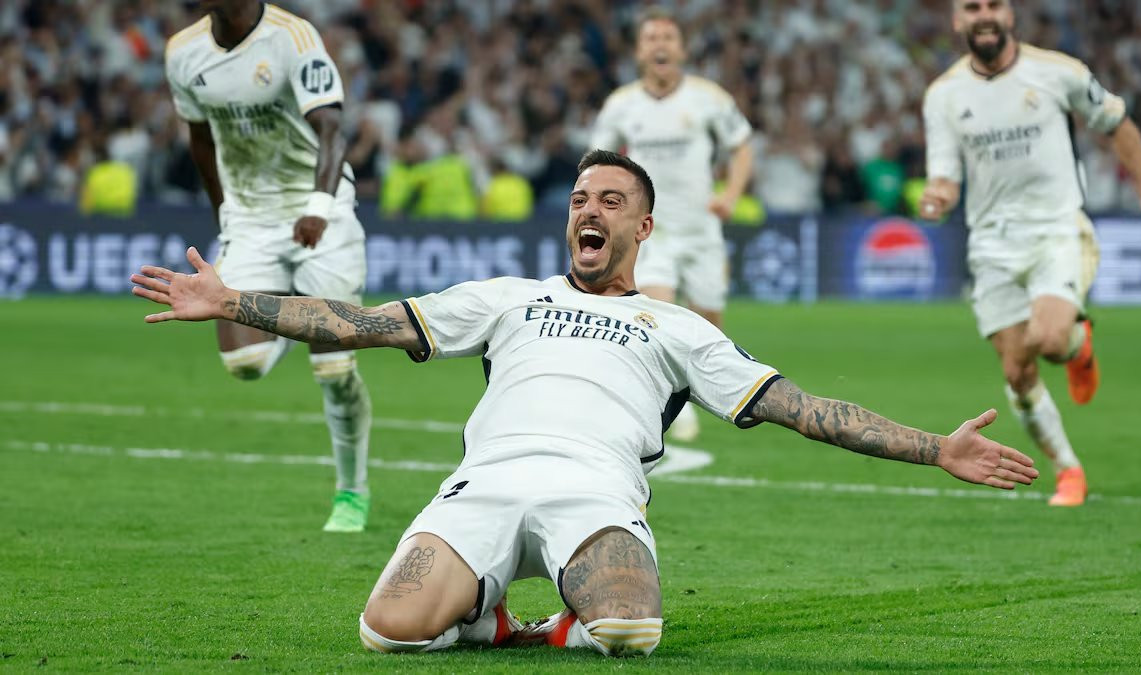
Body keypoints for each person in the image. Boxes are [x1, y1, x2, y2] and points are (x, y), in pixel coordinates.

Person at [132, 149, 1039, 658]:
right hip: (484, 484)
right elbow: (363, 323)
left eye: (609, 199)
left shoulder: (677, 327)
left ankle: (546, 617)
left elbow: (802, 407)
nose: (587, 210)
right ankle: (491, 620)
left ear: (642, 226)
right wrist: (233, 301)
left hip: (595, 493)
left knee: (631, 629)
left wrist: (936, 447)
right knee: (385, 630)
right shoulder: (507, 298)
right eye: (577, 199)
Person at [919, 0, 1141, 507]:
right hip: (991, 245)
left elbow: (1118, 123)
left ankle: (1076, 344)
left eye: (994, 5)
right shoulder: (943, 95)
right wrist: (938, 196)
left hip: (1056, 230)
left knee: (1050, 340)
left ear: (1010, 15)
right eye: (972, 7)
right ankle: (1068, 469)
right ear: (958, 20)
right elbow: (944, 174)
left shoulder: (1059, 72)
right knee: (1017, 372)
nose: (984, 15)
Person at [164, 0, 373, 531]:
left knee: (334, 372)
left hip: (319, 210)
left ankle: (351, 492)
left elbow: (332, 129)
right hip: (251, 220)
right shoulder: (183, 52)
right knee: (245, 363)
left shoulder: (293, 38)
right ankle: (303, 319)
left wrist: (319, 207)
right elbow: (200, 140)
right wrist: (225, 216)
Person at [590, 6, 754, 443]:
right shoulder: (621, 105)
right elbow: (597, 163)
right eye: (651, 39)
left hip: (701, 230)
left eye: (667, 38)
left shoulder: (709, 98)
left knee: (709, 324)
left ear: (681, 50)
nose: (660, 45)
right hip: (651, 231)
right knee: (656, 314)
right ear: (639, 52)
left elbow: (741, 146)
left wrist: (731, 195)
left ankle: (695, 394)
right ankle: (667, 404)